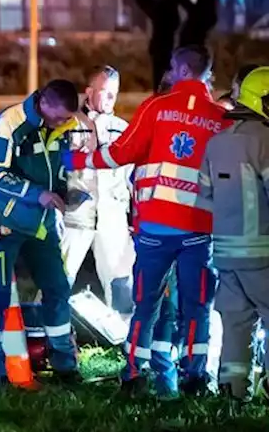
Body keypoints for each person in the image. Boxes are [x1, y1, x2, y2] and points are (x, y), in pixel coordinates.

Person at [68, 45, 230, 398]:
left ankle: (132, 374)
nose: (169, 72)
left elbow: (121, 152)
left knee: (147, 304)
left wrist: (79, 159)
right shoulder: (220, 117)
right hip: (200, 230)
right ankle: (195, 378)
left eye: (173, 67)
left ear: (183, 70)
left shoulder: (156, 108)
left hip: (155, 227)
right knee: (197, 305)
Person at [0, 79, 90, 389]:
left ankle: (65, 365)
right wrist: (37, 194)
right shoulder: (10, 122)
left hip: (42, 224)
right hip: (3, 221)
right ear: (44, 103)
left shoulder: (64, 126)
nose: (65, 123)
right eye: (61, 116)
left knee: (58, 289)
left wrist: (69, 188)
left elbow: (59, 164)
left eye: (68, 118)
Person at [202, 66, 269, 401]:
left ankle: (232, 392)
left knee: (235, 324)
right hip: (261, 252)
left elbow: (204, 197)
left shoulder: (216, 144)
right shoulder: (265, 141)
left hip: (225, 253)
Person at [62, 66, 133, 312]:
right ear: (89, 92)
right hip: (74, 216)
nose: (111, 99)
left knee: (121, 280)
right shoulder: (67, 126)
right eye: (105, 92)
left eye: (115, 93)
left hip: (112, 218)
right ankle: (44, 333)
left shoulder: (123, 130)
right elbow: (54, 167)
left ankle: (125, 336)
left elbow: (131, 177)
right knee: (59, 278)